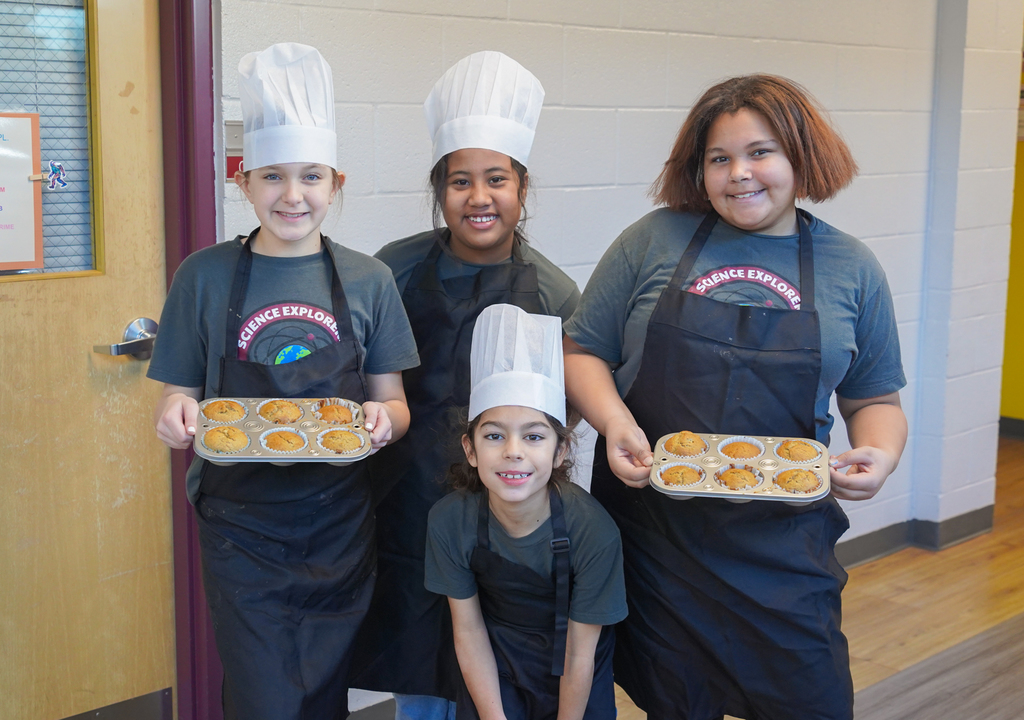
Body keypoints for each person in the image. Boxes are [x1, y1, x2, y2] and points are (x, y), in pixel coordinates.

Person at [562, 74, 909, 720]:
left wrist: (880, 453)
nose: (739, 173)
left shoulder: (851, 267)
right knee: (676, 703)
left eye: (760, 152)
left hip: (783, 550)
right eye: (719, 158)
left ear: (801, 156)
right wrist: (613, 422)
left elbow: (874, 399)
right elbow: (580, 351)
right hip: (658, 543)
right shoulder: (653, 240)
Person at [147, 43, 418, 720]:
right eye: (272, 176)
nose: (292, 196)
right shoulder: (203, 276)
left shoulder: (370, 280)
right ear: (243, 182)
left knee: (323, 689)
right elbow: (178, 393)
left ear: (336, 182)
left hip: (339, 522)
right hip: (240, 526)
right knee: (263, 693)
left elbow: (393, 402)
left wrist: (385, 422)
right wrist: (175, 415)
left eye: (311, 177)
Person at [349, 51, 579, 719]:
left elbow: (566, 418)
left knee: (500, 685)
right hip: (407, 512)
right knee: (421, 681)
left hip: (509, 523)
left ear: (523, 187)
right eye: (460, 181)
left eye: (496, 179)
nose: (479, 198)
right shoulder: (391, 272)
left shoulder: (555, 293)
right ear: (439, 190)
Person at [425, 303, 626, 720]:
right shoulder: (450, 521)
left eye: (534, 437)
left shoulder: (592, 530)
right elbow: (469, 630)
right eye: (494, 436)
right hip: (493, 664)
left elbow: (579, 652)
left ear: (560, 451)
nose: (513, 452)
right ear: (470, 450)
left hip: (577, 667)